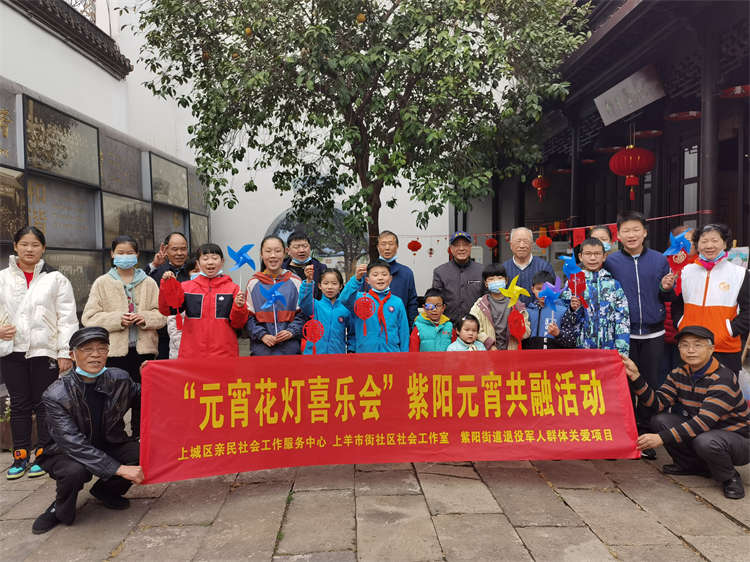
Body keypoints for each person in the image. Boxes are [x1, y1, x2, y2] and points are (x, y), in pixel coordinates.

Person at [31, 327, 144, 534]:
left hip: (108, 442)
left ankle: (105, 492)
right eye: (87, 349)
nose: (95, 355)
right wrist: (119, 469)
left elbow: (146, 397)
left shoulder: (119, 379)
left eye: (102, 348)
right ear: (72, 355)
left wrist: (152, 374)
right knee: (75, 471)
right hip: (64, 452)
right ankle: (59, 508)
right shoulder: (56, 395)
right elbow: (73, 444)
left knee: (142, 453)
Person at [623, 326, 750, 500]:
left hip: (738, 441)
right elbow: (657, 404)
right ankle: (690, 465)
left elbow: (703, 422)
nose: (690, 350)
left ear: (711, 349)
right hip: (705, 432)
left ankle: (729, 477)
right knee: (661, 420)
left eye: (697, 345)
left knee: (705, 441)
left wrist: (660, 438)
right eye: (684, 345)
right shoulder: (678, 374)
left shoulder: (723, 378)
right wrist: (636, 376)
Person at [0, 226, 78, 480]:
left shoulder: (56, 279)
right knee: (19, 403)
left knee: (45, 403)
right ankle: (20, 455)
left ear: (43, 248)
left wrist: (65, 351)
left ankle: (44, 453)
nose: (29, 249)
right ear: (15, 246)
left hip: (45, 351)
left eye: (35, 244)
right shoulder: (2, 278)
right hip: (12, 350)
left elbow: (67, 318)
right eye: (24, 244)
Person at [605, 211, 676, 458]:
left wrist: (665, 288)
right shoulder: (611, 262)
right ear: (618, 236)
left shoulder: (659, 260)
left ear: (645, 232)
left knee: (649, 384)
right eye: (626, 230)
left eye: (636, 230)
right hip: (624, 335)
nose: (631, 235)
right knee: (622, 386)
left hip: (654, 334)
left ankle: (646, 438)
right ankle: (624, 436)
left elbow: (668, 296)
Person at [82, 235, 166, 439]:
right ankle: (114, 437)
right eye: (120, 252)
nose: (125, 256)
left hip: (144, 351)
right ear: (112, 254)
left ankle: (140, 436)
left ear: (137, 255)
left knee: (143, 396)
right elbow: (89, 318)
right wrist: (118, 319)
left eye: (129, 253)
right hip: (114, 352)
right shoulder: (102, 283)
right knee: (113, 397)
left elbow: (162, 315)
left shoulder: (149, 283)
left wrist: (144, 317)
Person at [674, 224, 749, 374]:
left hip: (724, 347)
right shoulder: (686, 271)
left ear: (725, 244)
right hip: (691, 346)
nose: (709, 246)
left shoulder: (740, 274)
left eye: (714, 240)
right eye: (704, 241)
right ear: (697, 245)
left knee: (724, 387)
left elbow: (748, 310)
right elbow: (677, 303)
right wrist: (681, 323)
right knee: (689, 387)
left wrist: (730, 331)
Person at [159, 243, 249, 358]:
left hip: (224, 354)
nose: (210, 262)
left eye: (215, 258)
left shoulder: (233, 289)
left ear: (222, 262)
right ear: (198, 263)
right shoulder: (186, 287)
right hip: (192, 354)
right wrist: (167, 285)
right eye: (205, 259)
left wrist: (239, 307)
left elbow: (238, 324)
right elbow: (168, 310)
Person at [561, 238, 630, 355]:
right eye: (588, 254)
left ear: (604, 256)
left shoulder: (613, 285)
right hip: (580, 349)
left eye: (597, 254)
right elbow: (564, 318)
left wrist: (622, 352)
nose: (592, 258)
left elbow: (622, 319)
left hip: (608, 349)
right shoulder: (573, 284)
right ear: (580, 256)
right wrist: (573, 309)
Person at [246, 236, 304, 356]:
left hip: (290, 350)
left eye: (277, 251)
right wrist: (262, 335)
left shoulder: (296, 281)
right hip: (262, 351)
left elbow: (303, 314)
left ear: (285, 253)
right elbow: (248, 317)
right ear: (261, 254)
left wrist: (291, 331)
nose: (273, 255)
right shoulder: (253, 283)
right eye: (268, 251)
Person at [341, 261, 410, 353]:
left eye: (384, 274)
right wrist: (356, 279)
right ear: (367, 280)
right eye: (375, 275)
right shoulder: (360, 299)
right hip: (366, 353)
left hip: (391, 352)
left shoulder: (397, 302)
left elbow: (404, 332)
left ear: (390, 279)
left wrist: (404, 355)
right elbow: (343, 298)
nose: (380, 278)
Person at [147, 232, 191, 358]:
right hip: (163, 335)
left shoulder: (193, 271)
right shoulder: (157, 271)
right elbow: (141, 282)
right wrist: (154, 265)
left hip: (190, 333)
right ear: (166, 250)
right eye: (175, 249)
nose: (179, 253)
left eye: (183, 249)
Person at [469, 263, 530, 350]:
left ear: (506, 280)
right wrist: (489, 344)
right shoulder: (480, 305)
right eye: (491, 279)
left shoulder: (517, 305)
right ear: (486, 283)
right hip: (488, 352)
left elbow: (527, 332)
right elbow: (474, 328)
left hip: (512, 352)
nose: (496, 281)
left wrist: (518, 328)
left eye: (499, 278)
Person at [663, 225, 697, 373]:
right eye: (683, 240)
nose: (688, 245)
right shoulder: (664, 263)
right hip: (663, 327)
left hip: (688, 328)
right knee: (664, 371)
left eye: (692, 241)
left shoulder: (701, 265)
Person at [368, 231, 418, 328]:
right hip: (373, 327)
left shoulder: (406, 273)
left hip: (399, 326)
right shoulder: (369, 273)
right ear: (378, 247)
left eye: (391, 244)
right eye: (383, 244)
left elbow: (412, 303)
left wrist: (412, 328)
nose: (387, 248)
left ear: (397, 246)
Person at [432, 231, 484, 323]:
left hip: (476, 325)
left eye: (465, 245)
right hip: (448, 325)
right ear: (451, 249)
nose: (461, 248)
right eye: (457, 245)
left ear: (470, 247)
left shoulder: (481, 271)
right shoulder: (440, 272)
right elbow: (436, 301)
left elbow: (487, 299)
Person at [299, 265, 352, 355]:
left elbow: (352, 334)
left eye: (334, 283)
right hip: (314, 355)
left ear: (340, 286)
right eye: (326, 283)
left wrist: (351, 350)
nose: (330, 287)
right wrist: (308, 281)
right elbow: (304, 302)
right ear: (319, 286)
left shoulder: (345, 310)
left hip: (337, 355)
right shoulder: (314, 305)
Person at [502, 227, 555, 306]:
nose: (522, 245)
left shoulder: (544, 266)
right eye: (518, 241)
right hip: (511, 312)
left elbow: (552, 293)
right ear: (511, 245)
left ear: (532, 244)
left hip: (538, 312)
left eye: (526, 241)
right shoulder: (504, 268)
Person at [526, 270, 574, 350]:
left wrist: (558, 334)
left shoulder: (563, 311)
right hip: (532, 355)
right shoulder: (528, 311)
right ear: (532, 289)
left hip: (554, 355)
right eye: (539, 289)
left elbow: (571, 341)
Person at [166, 258, 199, 359]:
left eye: (201, 271)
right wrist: (185, 347)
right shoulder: (181, 291)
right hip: (181, 351)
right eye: (195, 271)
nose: (199, 274)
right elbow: (173, 325)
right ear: (188, 273)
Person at [282, 231, 327, 300]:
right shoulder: (280, 269)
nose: (302, 250)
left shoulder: (321, 269)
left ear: (310, 248)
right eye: (296, 247)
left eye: (305, 246)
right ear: (288, 250)